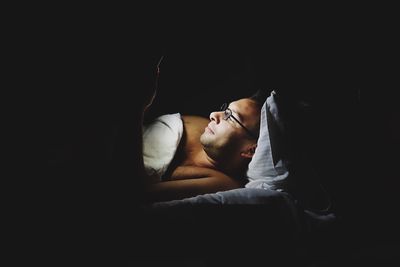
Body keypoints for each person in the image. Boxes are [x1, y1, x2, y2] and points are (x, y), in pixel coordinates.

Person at [143, 91, 266, 203]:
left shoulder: (222, 183)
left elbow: (142, 193)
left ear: (251, 150)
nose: (213, 115)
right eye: (226, 110)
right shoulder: (206, 128)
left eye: (231, 117)